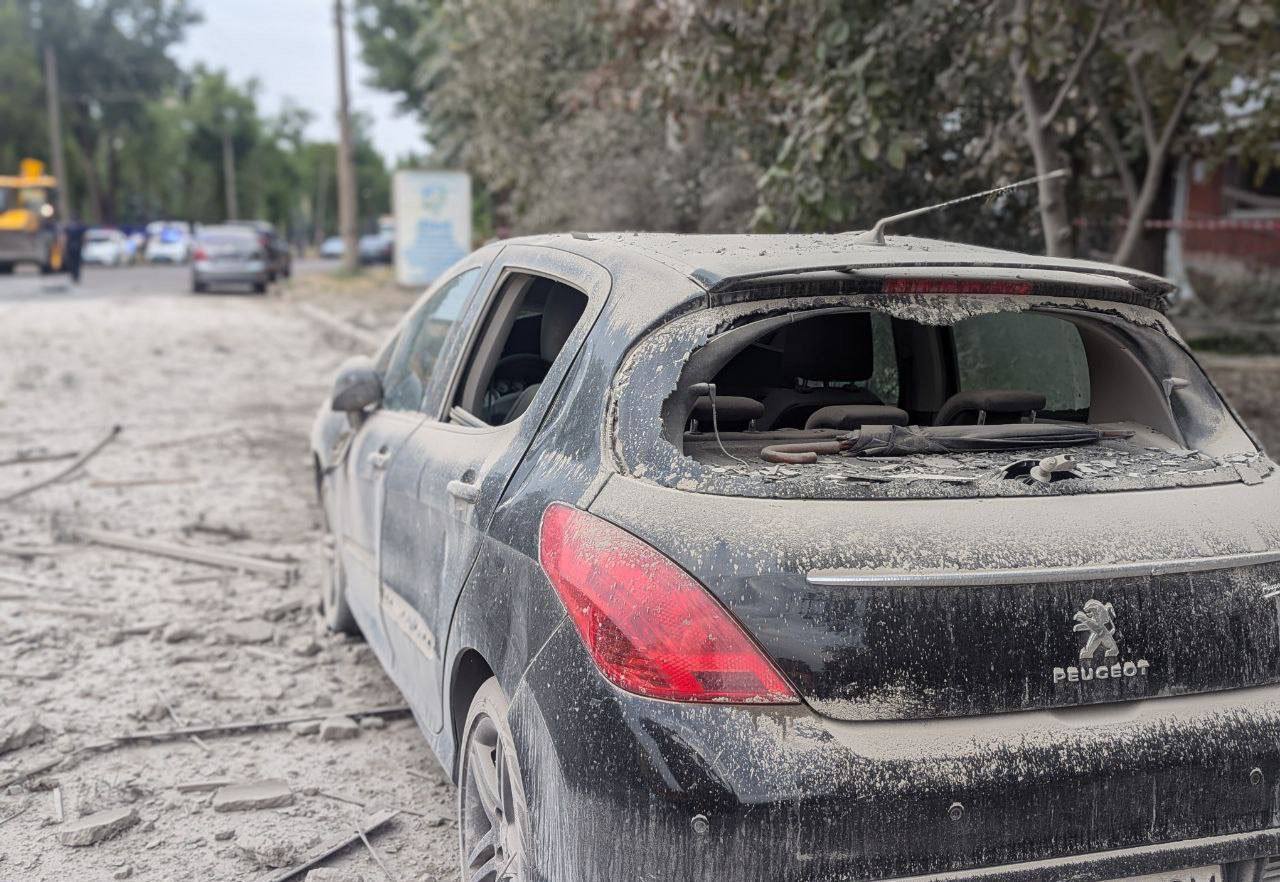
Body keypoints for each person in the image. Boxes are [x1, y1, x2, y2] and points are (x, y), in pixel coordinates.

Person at [63, 218, 86, 284]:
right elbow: (83, 237)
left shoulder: (68, 228)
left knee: (72, 262)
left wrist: (64, 247)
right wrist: (84, 245)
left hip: (70, 247)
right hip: (77, 246)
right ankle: (76, 276)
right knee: (77, 263)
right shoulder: (80, 227)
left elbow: (64, 238)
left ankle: (74, 276)